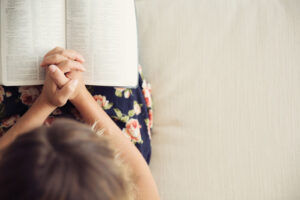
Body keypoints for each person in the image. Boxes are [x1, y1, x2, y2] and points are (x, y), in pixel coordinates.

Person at [0, 47, 160, 200]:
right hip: (109, 140)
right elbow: (139, 176)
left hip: (19, 141)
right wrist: (79, 94)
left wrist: (46, 103)